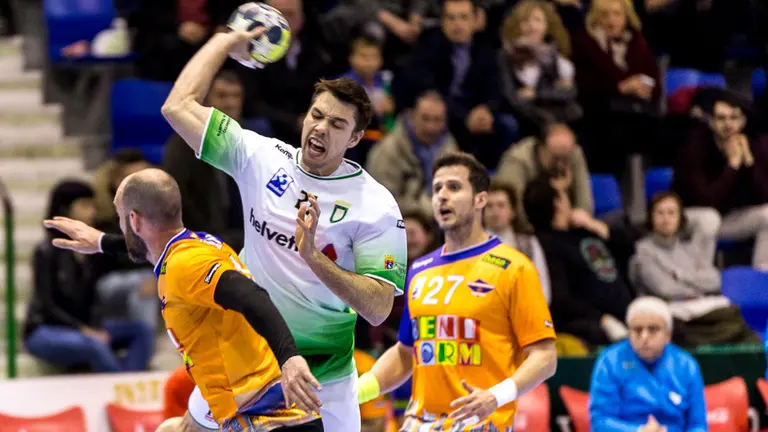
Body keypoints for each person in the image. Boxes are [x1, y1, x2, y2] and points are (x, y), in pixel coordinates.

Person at [160, 26, 408, 432]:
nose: (322, 128)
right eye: (317, 115)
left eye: (338, 124)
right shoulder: (260, 157)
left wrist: (313, 258)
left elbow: (379, 309)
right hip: (247, 363)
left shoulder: (375, 205)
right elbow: (178, 106)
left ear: (356, 138)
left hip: (322, 377)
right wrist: (226, 41)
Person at [43, 169, 322, 431]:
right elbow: (216, 343)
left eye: (120, 216)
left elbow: (251, 297)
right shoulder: (195, 244)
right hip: (258, 412)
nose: (119, 223)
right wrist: (103, 242)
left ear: (135, 220)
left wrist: (290, 357)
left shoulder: (185, 264)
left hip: (275, 418)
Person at [357, 152, 558, 430]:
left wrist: (495, 396)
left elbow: (545, 357)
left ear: (480, 199)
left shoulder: (515, 268)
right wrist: (358, 391)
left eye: (454, 187)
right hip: (420, 422)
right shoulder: (420, 269)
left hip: (482, 421)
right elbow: (405, 353)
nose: (442, 196)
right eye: (437, 188)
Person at [24, 180, 154, 373]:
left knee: (141, 331)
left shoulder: (92, 250)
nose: (92, 212)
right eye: (85, 206)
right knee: (95, 345)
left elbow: (96, 297)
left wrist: (94, 326)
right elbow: (47, 305)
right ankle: (118, 389)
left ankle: (127, 381)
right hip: (46, 329)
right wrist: (83, 329)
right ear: (66, 210)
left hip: (84, 326)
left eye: (92, 205)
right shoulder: (46, 252)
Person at [589, 297, 708, 432]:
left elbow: (698, 425)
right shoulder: (609, 361)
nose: (644, 337)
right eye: (637, 330)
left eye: (653, 329)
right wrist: (638, 430)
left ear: (668, 335)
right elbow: (600, 422)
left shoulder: (686, 365)